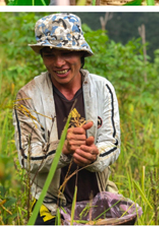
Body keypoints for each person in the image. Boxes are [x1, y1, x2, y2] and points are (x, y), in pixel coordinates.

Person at [13, 14, 121, 225]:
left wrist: (94, 155)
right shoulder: (28, 96)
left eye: (66, 52)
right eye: (49, 54)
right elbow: (27, 157)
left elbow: (113, 143)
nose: (59, 63)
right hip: (50, 207)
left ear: (81, 54)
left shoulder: (102, 89)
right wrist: (62, 148)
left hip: (97, 203)